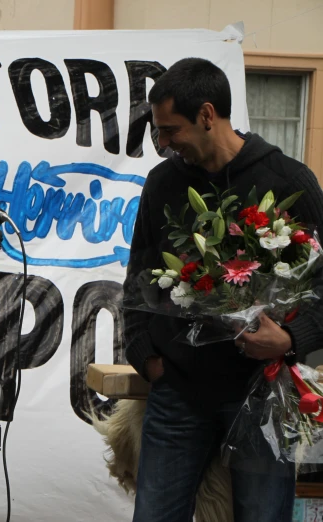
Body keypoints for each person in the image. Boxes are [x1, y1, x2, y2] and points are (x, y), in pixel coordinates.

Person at [123, 57, 323, 522]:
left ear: (208, 115)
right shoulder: (163, 183)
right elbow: (138, 277)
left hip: (261, 392)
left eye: (171, 131)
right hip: (177, 392)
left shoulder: (290, 182)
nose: (163, 143)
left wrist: (294, 339)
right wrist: (144, 354)